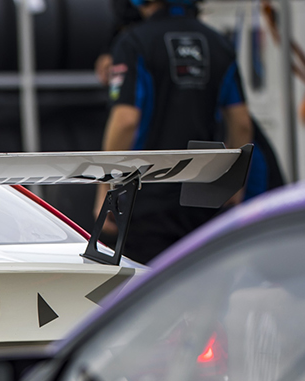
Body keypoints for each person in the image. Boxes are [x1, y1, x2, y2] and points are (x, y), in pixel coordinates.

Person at [100, 0, 253, 264]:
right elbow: (241, 123)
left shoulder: (133, 42)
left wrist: (104, 189)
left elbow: (125, 121)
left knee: (150, 295)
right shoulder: (219, 44)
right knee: (203, 288)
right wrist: (234, 183)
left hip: (146, 196)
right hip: (204, 194)